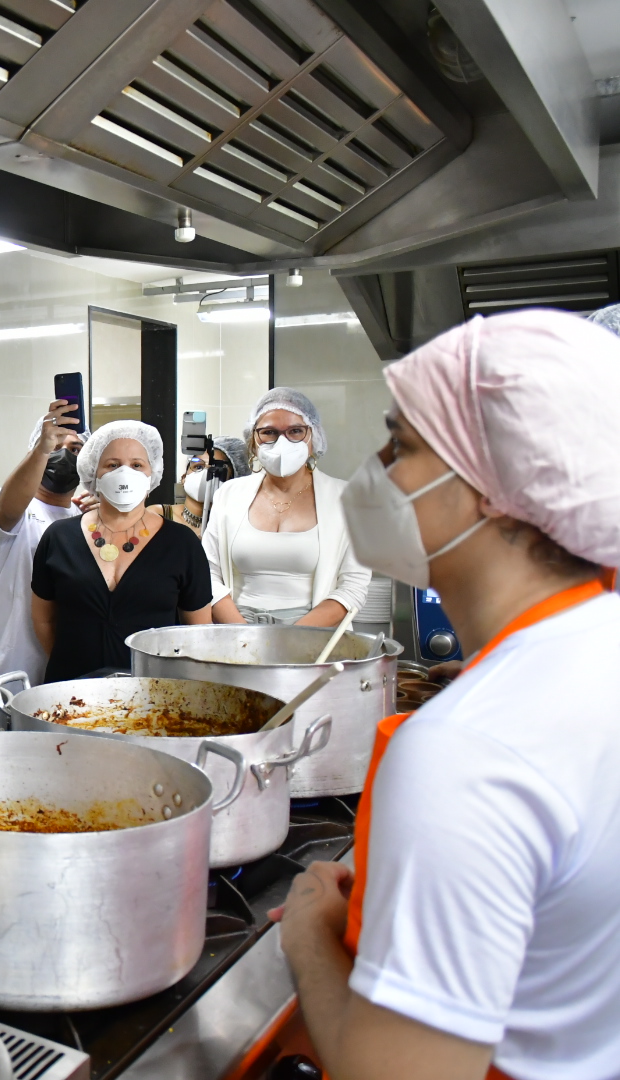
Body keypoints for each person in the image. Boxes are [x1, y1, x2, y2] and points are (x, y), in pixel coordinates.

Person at [272, 310, 620, 1079]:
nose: (378, 472)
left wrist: (305, 941)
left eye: (404, 446)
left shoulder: (466, 751)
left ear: (495, 488)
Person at [31, 420, 212, 682]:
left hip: (156, 694)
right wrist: (73, 668)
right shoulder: (59, 538)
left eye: (137, 465)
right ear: (94, 472)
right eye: (112, 465)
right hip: (70, 693)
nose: (125, 473)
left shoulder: (182, 543)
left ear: (152, 473)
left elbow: (198, 632)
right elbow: (43, 621)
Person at [202, 388, 369, 626]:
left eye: (296, 431)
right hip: (237, 632)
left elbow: (353, 587)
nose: (282, 441)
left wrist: (290, 640)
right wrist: (243, 634)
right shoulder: (229, 495)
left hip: (314, 638)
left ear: (314, 438)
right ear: (253, 440)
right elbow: (208, 574)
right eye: (269, 432)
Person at [0, 401, 85, 682]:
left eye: (74, 451)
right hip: (6, 671)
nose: (63, 457)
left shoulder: (82, 519)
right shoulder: (18, 509)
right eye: (55, 447)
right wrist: (43, 449)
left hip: (61, 674)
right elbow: (7, 509)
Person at [168, 434, 250, 536]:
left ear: (232, 480)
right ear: (184, 477)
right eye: (198, 467)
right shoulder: (159, 515)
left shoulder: (236, 527)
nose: (206, 474)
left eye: (216, 469)